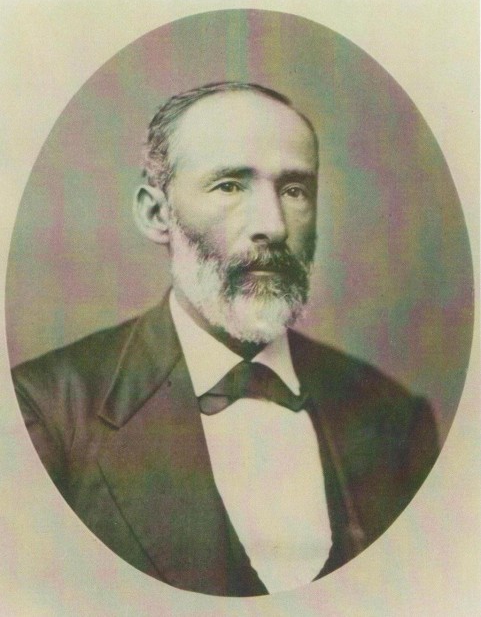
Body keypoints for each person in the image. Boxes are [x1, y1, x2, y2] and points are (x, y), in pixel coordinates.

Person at [11, 82, 439, 597]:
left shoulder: (395, 419)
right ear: (156, 214)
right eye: (230, 186)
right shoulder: (47, 413)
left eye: (294, 190)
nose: (273, 226)